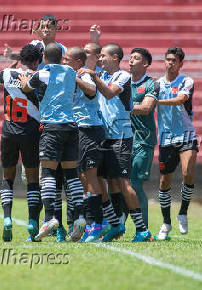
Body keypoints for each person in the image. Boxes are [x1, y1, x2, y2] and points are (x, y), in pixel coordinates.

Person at [78, 43, 152, 242]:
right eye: (99, 56)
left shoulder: (123, 76)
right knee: (103, 181)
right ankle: (116, 224)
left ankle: (142, 229)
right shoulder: (102, 76)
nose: (100, 59)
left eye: (104, 56)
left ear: (116, 58)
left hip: (121, 136)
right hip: (104, 136)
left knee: (123, 182)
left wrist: (93, 76)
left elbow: (109, 93)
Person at [20, 43, 86, 242]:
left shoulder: (42, 73)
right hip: (71, 127)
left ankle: (50, 218)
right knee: (71, 175)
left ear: (44, 57)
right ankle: (80, 217)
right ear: (62, 57)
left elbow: (26, 87)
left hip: (51, 127)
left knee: (48, 173)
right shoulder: (70, 71)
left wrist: (25, 79)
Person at [62, 46, 109, 242]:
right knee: (83, 177)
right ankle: (94, 223)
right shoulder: (71, 75)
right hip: (79, 130)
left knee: (91, 178)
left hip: (90, 129)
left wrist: (76, 78)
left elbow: (91, 91)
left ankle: (97, 224)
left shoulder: (83, 75)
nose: (64, 62)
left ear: (78, 62)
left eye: (67, 59)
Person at [0, 44, 42, 242]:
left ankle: (7, 218)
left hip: (8, 131)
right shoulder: (38, 77)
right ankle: (32, 222)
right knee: (32, 179)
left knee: (8, 177)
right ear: (37, 61)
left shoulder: (6, 73)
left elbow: (6, 75)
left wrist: (15, 60)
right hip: (30, 132)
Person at [155, 47, 197, 240]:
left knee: (188, 172)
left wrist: (157, 102)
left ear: (181, 64)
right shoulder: (156, 84)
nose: (170, 63)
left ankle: (183, 212)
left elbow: (181, 99)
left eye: (174, 60)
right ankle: (166, 223)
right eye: (168, 60)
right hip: (165, 138)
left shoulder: (187, 81)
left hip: (186, 135)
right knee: (165, 181)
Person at [129, 48, 159, 227]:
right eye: (130, 57)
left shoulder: (151, 84)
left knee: (135, 184)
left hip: (143, 140)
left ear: (146, 64)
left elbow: (147, 108)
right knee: (118, 185)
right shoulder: (122, 81)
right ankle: (118, 226)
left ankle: (143, 229)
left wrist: (121, 106)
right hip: (123, 140)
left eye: (136, 58)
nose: (131, 61)